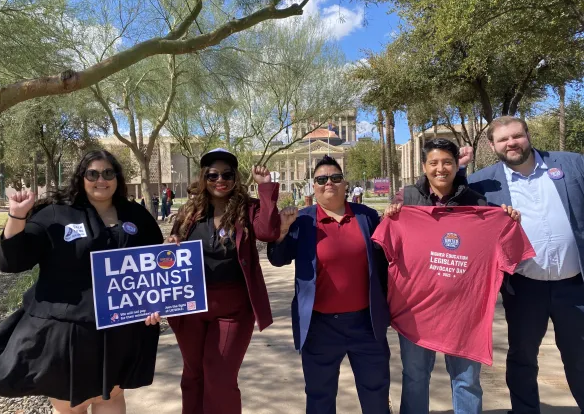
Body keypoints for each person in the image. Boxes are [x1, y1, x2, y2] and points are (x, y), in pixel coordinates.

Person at [0, 150, 164, 414]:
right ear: (81, 178)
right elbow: (13, 261)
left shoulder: (135, 215)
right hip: (66, 335)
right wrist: (17, 216)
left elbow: (155, 266)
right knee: (71, 405)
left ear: (117, 178)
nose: (100, 180)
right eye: (92, 173)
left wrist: (156, 302)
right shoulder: (56, 214)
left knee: (111, 397)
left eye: (108, 173)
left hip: (118, 329)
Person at [379, 138, 522, 414]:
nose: (440, 168)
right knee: (415, 378)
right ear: (424, 166)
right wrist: (390, 216)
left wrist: (507, 221)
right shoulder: (406, 199)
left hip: (464, 313)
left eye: (447, 162)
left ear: (457, 166)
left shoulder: (477, 203)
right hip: (417, 312)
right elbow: (383, 248)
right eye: (433, 163)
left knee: (467, 381)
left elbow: (505, 249)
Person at [467, 116, 584, 413]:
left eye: (517, 136)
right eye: (503, 139)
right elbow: (442, 201)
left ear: (528, 136)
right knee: (522, 357)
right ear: (493, 145)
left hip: (574, 285)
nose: (512, 143)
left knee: (579, 356)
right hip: (523, 287)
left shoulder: (572, 165)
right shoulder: (482, 183)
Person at [268, 155, 390, 414]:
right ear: (313, 186)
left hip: (366, 325)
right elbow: (278, 259)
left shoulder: (366, 217)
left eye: (335, 178)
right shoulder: (302, 220)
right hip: (320, 327)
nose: (329, 184)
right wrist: (281, 231)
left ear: (345, 183)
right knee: (319, 398)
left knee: (376, 395)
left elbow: (386, 262)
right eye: (321, 179)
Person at [165, 148, 281, 414]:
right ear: (204, 177)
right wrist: (171, 244)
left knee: (220, 376)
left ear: (235, 178)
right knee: (193, 375)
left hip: (233, 309)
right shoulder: (189, 213)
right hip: (191, 306)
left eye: (227, 174)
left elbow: (268, 231)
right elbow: (171, 252)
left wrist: (265, 188)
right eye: (213, 174)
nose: (221, 180)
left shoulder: (248, 209)